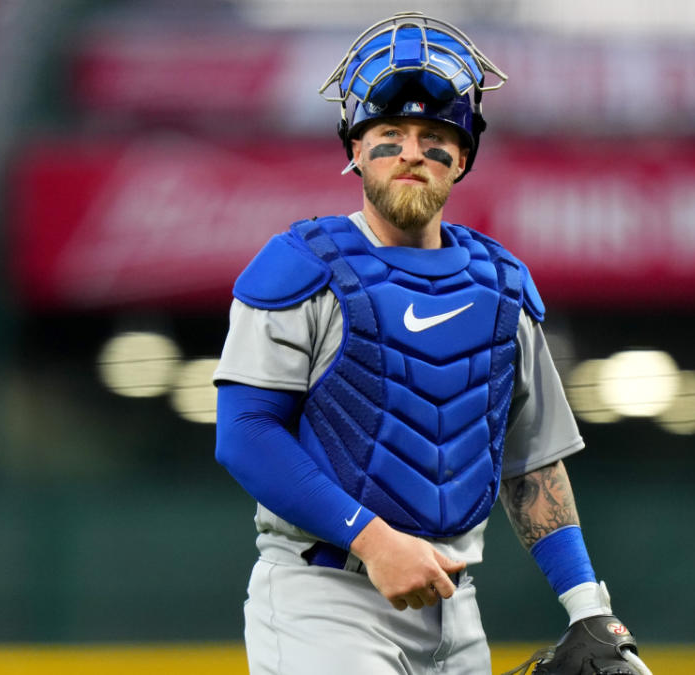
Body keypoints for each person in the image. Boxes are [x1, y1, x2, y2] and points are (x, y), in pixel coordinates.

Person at [213, 12, 647, 675]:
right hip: (322, 595)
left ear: (463, 156)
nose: (412, 150)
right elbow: (244, 431)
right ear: (355, 150)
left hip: (454, 605)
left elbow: (531, 463)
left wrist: (588, 606)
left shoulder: (502, 286)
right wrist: (375, 539)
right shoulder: (300, 265)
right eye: (389, 133)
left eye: (434, 134)